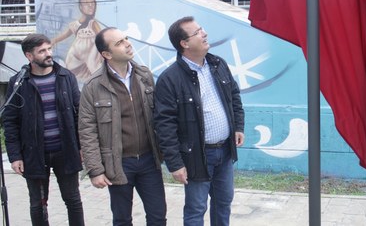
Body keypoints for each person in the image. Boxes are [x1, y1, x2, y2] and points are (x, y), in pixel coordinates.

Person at [154, 16, 245, 226]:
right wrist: (175, 163)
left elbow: (234, 96)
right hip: (196, 155)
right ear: (184, 44)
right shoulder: (170, 79)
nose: (204, 34)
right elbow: (164, 125)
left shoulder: (217, 64)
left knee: (223, 203)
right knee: (196, 208)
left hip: (225, 150)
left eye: (201, 29)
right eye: (197, 33)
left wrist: (238, 126)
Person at [78, 27, 167, 225]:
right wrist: (95, 170)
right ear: (106, 54)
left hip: (149, 160)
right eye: (119, 42)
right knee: (122, 219)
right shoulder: (93, 86)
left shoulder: (144, 75)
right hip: (118, 164)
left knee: (158, 216)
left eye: (126, 39)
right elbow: (87, 130)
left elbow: (159, 117)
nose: (127, 44)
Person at [2, 33, 85, 225]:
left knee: (73, 199)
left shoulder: (65, 76)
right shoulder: (19, 83)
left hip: (65, 151)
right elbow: (10, 121)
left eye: (49, 49)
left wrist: (81, 147)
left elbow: (79, 114)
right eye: (42, 51)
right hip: (34, 153)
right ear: (29, 56)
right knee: (38, 204)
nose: (48, 54)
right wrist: (15, 156)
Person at [51, 0, 103, 83]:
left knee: (94, 76)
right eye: (86, 2)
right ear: (80, 6)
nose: (90, 5)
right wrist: (54, 41)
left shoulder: (93, 23)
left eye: (92, 2)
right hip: (75, 59)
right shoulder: (75, 25)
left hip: (91, 58)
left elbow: (102, 37)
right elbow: (65, 35)